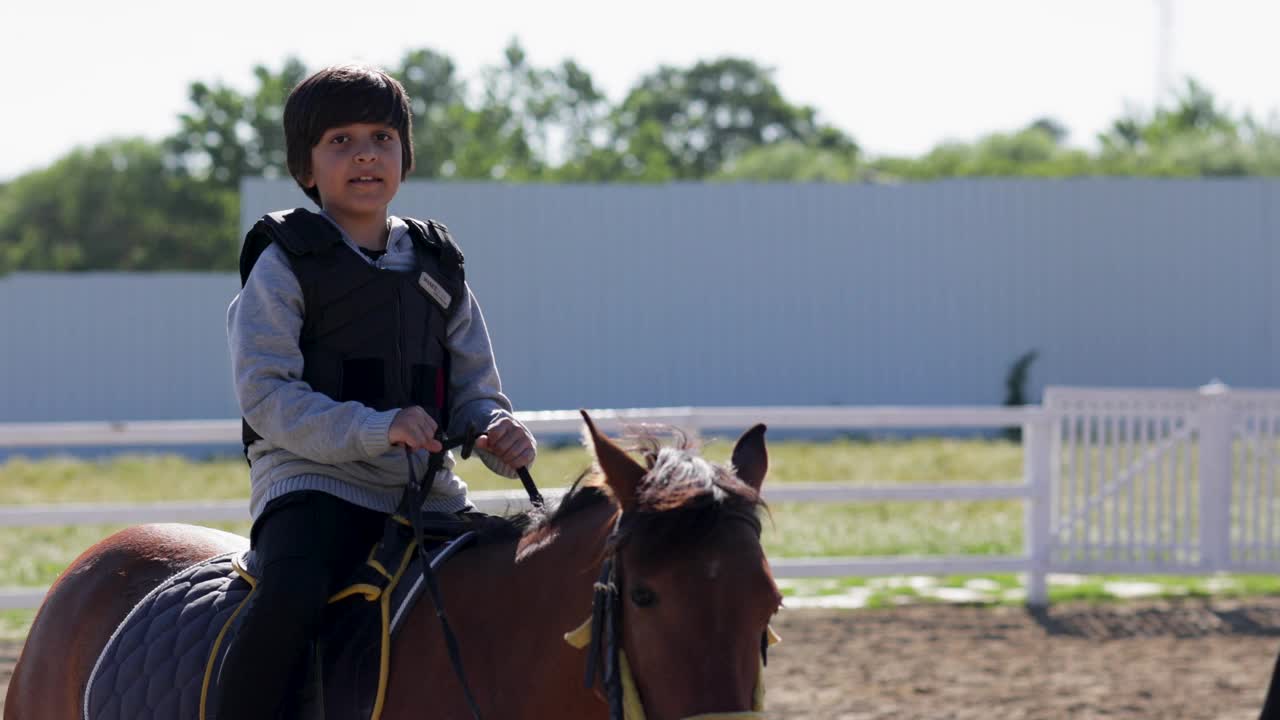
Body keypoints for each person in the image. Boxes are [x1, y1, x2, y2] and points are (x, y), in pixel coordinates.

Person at [218, 63, 536, 718]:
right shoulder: (283, 266)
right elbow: (268, 398)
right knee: (291, 595)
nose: (365, 152)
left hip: (427, 494)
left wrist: (496, 433)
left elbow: (474, 390)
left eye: (381, 137)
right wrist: (377, 426)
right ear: (306, 169)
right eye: (340, 140)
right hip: (314, 487)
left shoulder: (438, 265)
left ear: (405, 156)